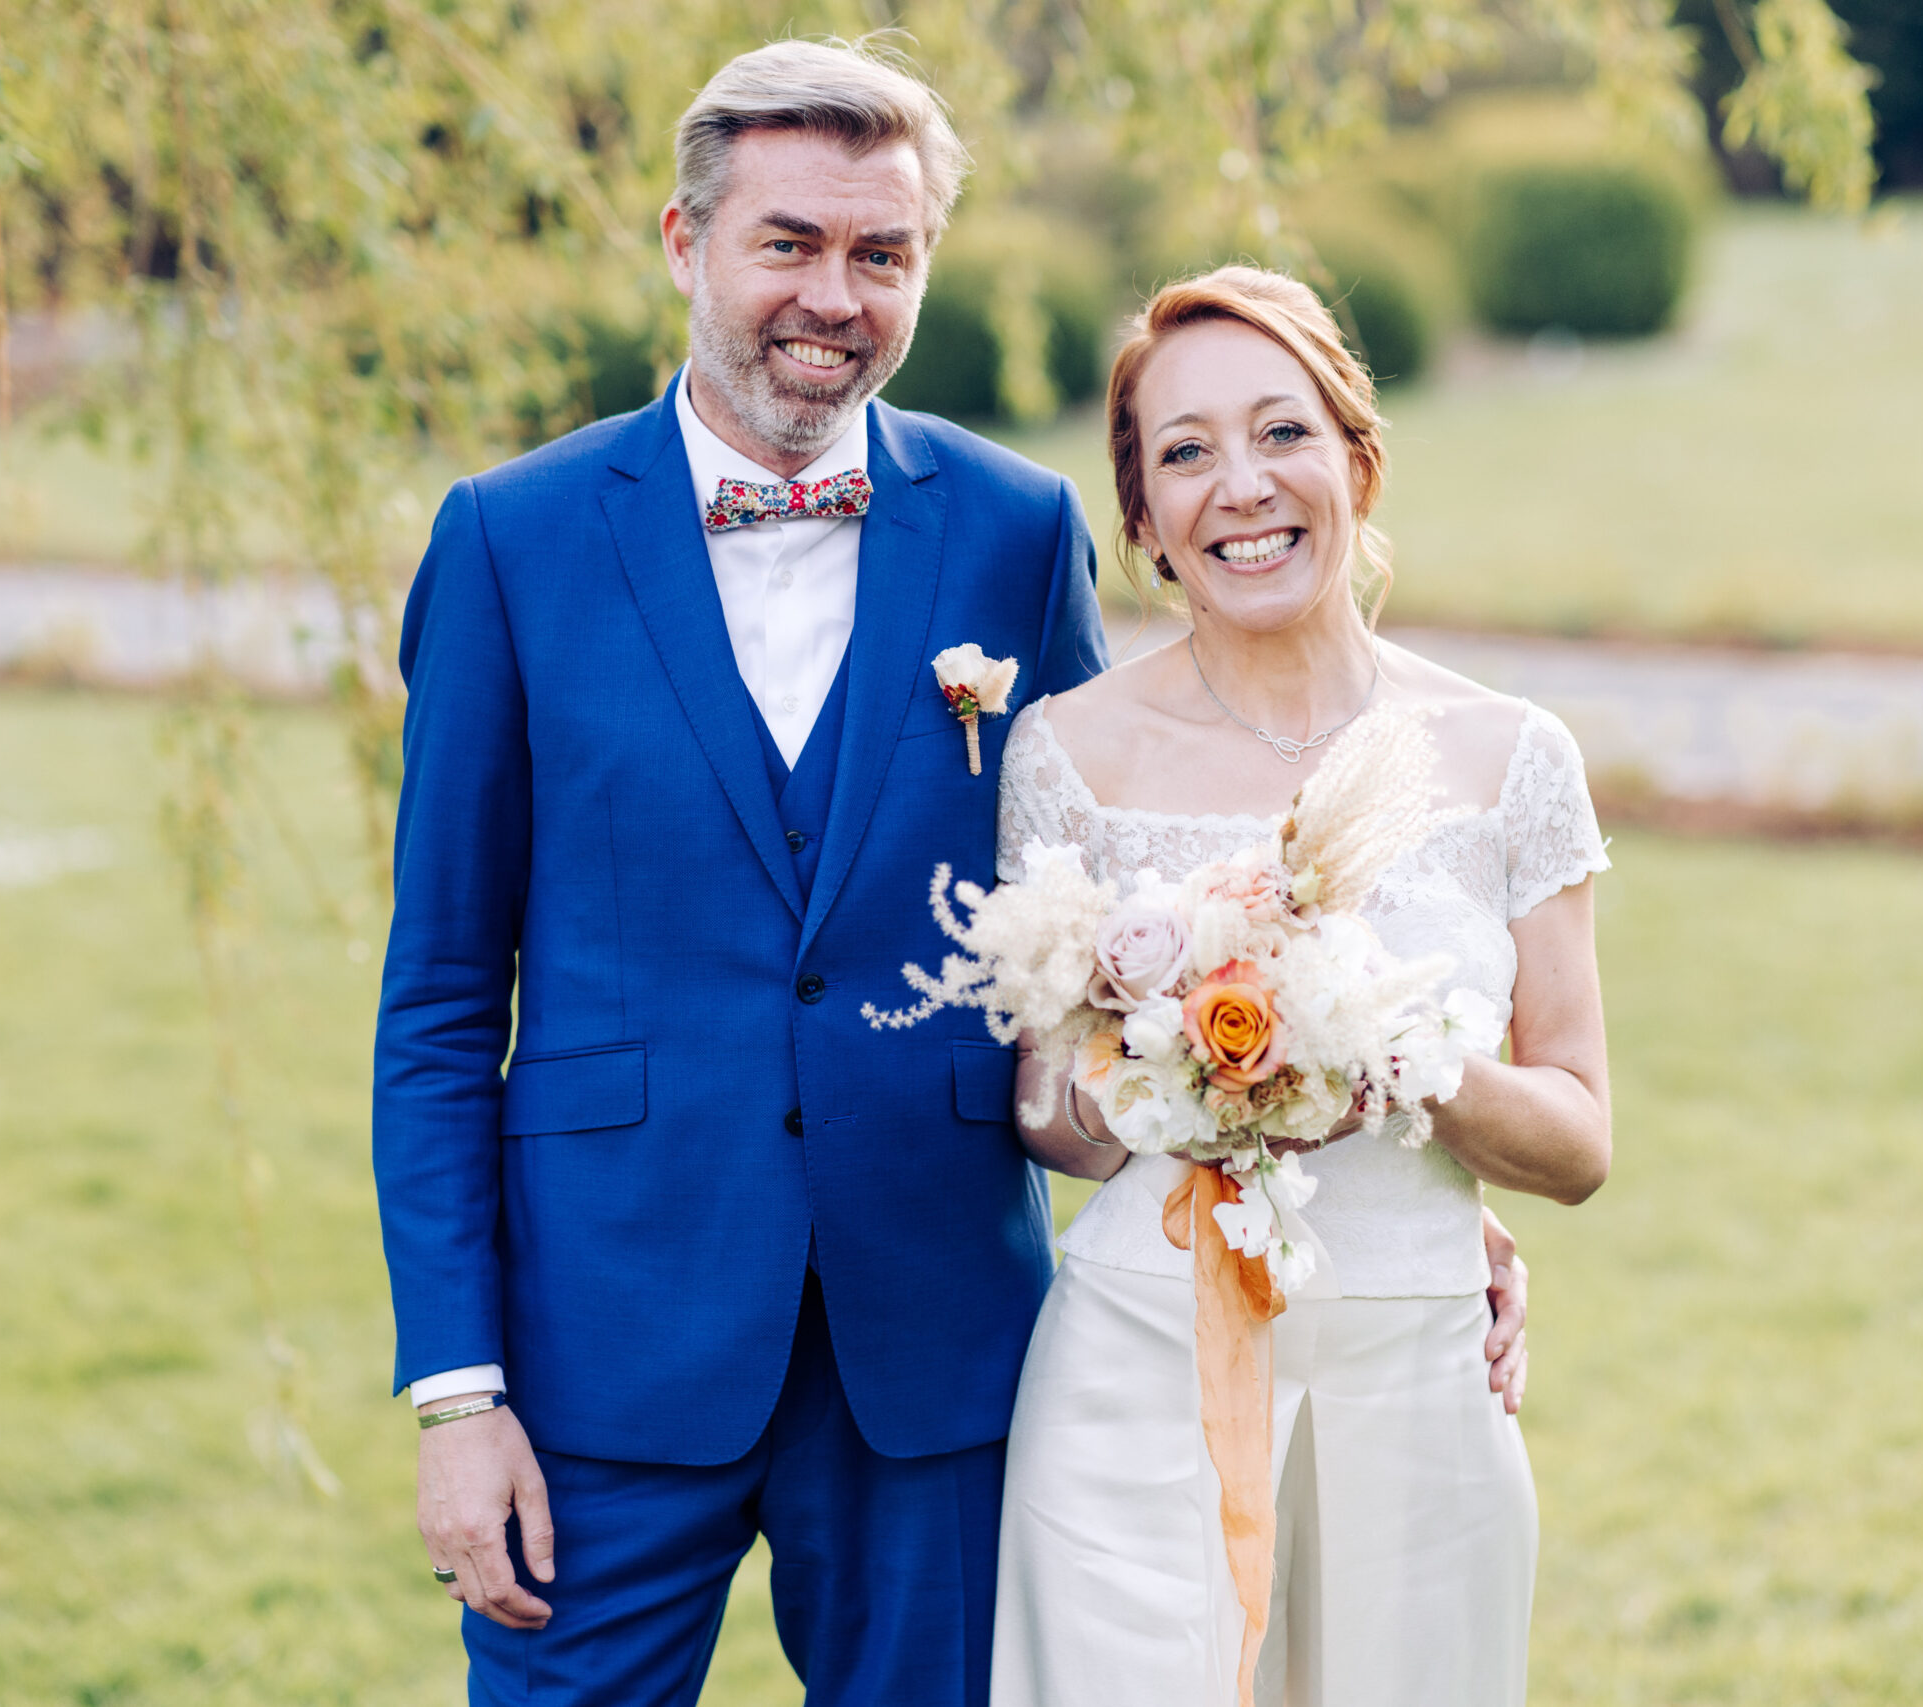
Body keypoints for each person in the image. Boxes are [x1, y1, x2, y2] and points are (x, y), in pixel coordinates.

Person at [374, 37, 1529, 1706]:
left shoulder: (1014, 526)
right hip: (601, 1354)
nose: (833, 294)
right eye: (789, 242)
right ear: (686, 243)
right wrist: (458, 1390)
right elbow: (435, 1009)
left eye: (882, 253)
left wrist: (1410, 1195)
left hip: (937, 1364)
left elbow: (1130, 921)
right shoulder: (510, 540)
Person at [989, 265, 1615, 1707]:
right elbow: (1050, 1124)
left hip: (1419, 1372)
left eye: (1283, 433)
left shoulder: (1507, 753)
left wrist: (1391, 1056)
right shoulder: (1067, 756)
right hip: (1139, 1371)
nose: (1242, 486)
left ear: (1357, 460)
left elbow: (1579, 1142)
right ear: (1143, 519)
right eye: (1185, 453)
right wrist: (1172, 1063)